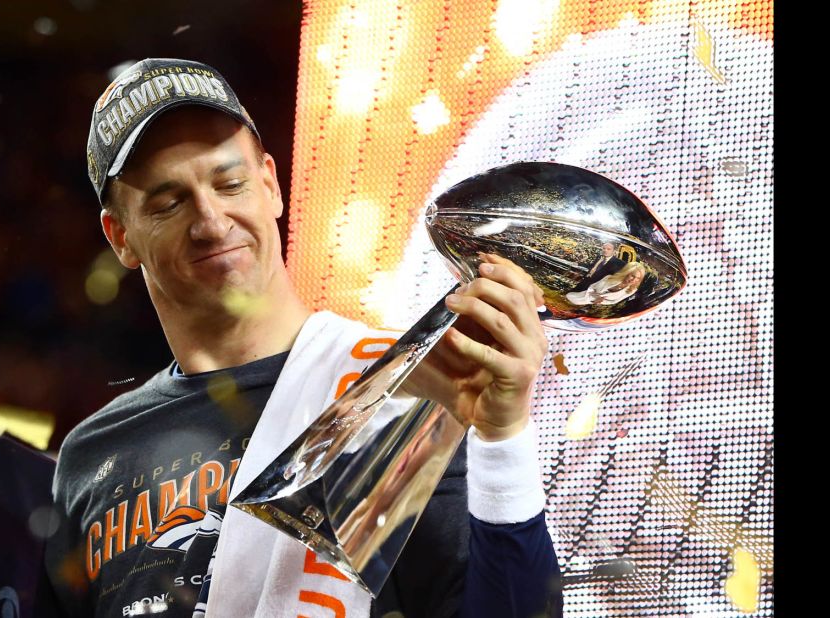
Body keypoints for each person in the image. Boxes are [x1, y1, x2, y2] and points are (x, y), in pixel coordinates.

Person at [44, 58, 562, 618]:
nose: (212, 222)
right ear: (120, 236)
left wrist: (504, 437)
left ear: (270, 185)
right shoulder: (91, 456)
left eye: (231, 184)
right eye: (169, 203)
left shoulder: (400, 393)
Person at [565, 262, 646, 306]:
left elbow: (614, 301)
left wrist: (600, 302)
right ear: (626, 273)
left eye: (638, 278)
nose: (634, 280)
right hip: (583, 297)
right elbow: (592, 287)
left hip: (595, 307)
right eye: (632, 276)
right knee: (568, 298)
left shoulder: (632, 290)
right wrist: (596, 297)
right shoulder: (609, 278)